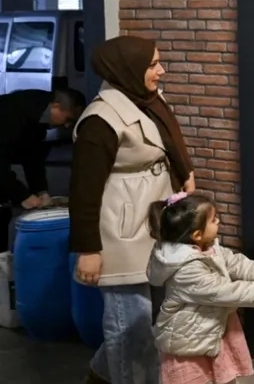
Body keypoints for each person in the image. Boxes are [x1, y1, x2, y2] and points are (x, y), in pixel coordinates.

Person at [70, 35, 196, 384]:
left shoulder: (147, 100)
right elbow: (83, 191)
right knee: (130, 325)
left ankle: (100, 375)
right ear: (128, 68)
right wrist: (88, 250)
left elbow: (169, 140)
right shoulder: (100, 120)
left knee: (150, 321)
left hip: (153, 219)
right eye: (153, 64)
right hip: (120, 230)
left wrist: (185, 172)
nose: (161, 70)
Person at [147, 193, 254, 384]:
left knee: (225, 377)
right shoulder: (185, 268)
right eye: (213, 220)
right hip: (189, 339)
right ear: (197, 234)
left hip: (213, 327)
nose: (218, 222)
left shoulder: (210, 247)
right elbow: (220, 291)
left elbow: (235, 263)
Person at [0, 87, 85, 252]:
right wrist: (21, 195)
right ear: (56, 106)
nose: (67, 125)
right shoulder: (14, 113)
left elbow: (32, 158)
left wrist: (40, 191)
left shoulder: (39, 118)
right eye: (68, 119)